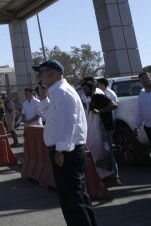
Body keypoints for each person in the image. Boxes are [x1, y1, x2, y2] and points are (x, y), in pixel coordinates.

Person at [34, 60, 97, 226]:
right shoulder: (57, 93)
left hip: (67, 152)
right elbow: (51, 119)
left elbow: (68, 124)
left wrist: (60, 150)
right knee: (77, 198)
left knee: (73, 202)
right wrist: (43, 99)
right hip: (67, 150)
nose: (39, 76)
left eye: (42, 72)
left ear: (54, 73)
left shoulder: (62, 93)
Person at [81, 79, 120, 186]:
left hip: (105, 129)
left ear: (92, 88)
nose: (84, 91)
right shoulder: (90, 98)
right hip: (97, 130)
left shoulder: (99, 96)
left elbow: (114, 105)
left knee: (108, 152)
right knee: (101, 152)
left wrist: (100, 111)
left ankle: (115, 177)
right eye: (83, 89)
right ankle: (105, 176)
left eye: (86, 89)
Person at [134, 66, 151, 144]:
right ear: (140, 82)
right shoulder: (141, 95)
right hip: (148, 127)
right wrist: (136, 127)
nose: (145, 80)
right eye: (142, 79)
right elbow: (139, 113)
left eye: (147, 78)